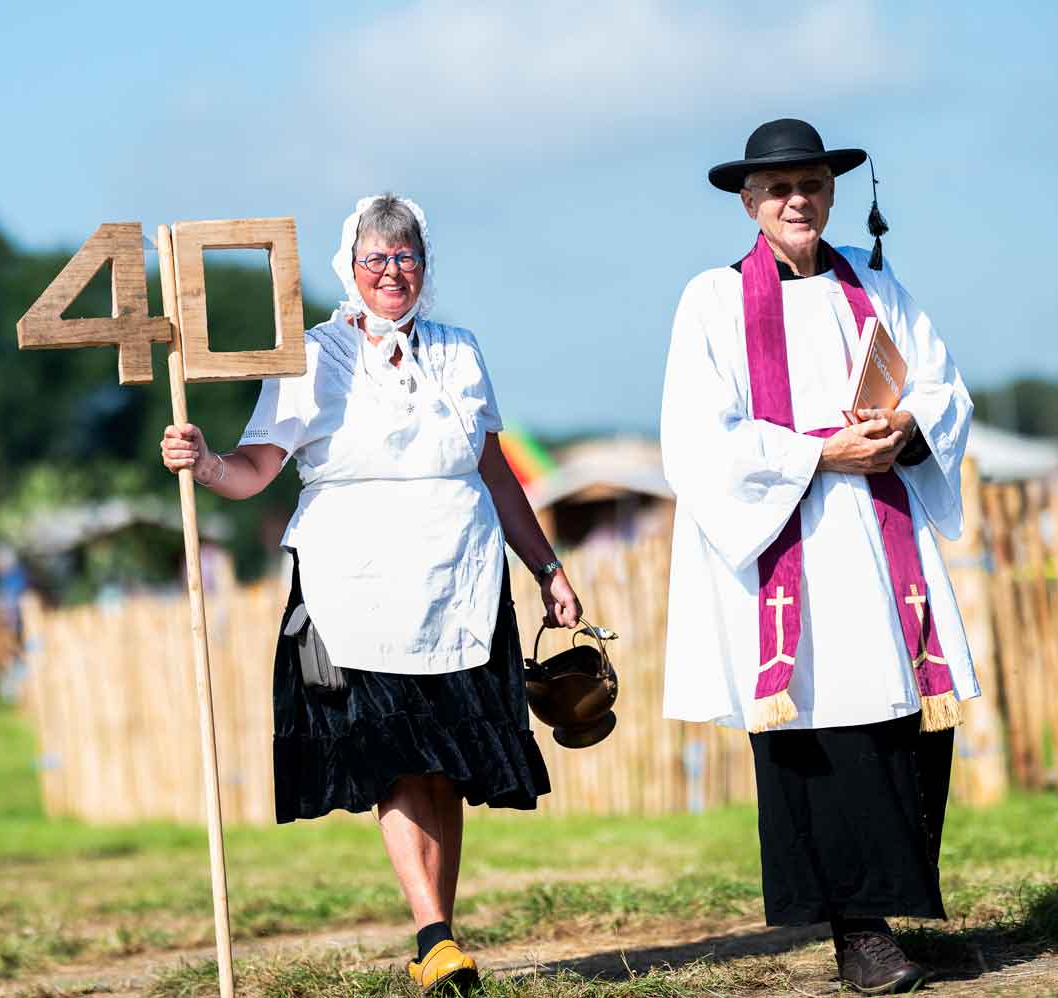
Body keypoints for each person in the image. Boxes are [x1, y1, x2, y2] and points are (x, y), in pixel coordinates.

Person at [161, 194, 581, 993]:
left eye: (407, 257)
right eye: (376, 260)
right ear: (349, 268)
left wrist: (547, 568)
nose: (393, 273)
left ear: (426, 264)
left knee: (448, 763)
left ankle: (438, 940)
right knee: (393, 755)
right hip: (352, 580)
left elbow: (495, 472)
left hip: (459, 573)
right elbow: (257, 466)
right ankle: (429, 926)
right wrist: (206, 463)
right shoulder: (311, 355)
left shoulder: (460, 351)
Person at [660, 119, 977, 994]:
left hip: (882, 534)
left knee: (899, 724)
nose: (798, 200)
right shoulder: (714, 301)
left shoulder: (875, 285)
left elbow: (945, 385)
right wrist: (818, 455)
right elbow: (696, 439)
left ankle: (898, 912)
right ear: (749, 202)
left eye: (811, 183)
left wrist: (908, 426)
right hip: (787, 542)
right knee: (823, 729)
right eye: (779, 188)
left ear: (833, 192)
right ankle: (857, 931)